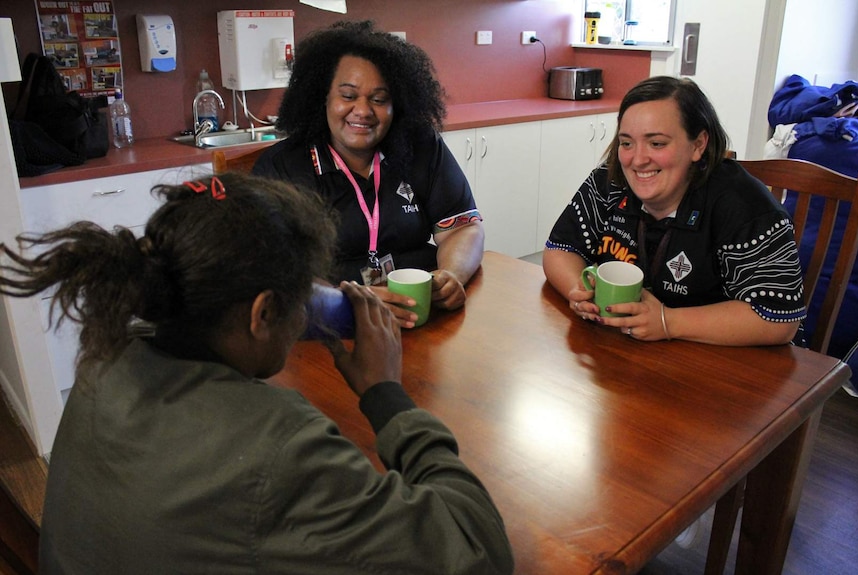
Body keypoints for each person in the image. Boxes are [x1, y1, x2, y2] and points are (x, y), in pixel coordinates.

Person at [0, 172, 513, 574]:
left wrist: (319, 306)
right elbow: (476, 551)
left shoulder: (105, 359)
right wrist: (385, 394)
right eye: (299, 294)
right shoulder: (281, 448)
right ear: (262, 313)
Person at [253, 21, 484, 327]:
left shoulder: (421, 146)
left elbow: (462, 228)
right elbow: (273, 270)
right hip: (329, 330)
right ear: (323, 96)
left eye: (379, 99)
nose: (363, 111)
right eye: (348, 96)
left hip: (423, 317)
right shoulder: (282, 167)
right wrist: (345, 305)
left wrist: (452, 275)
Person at [543, 76, 805, 346]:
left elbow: (779, 319)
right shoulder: (609, 183)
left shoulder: (747, 206)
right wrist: (579, 291)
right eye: (627, 143)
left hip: (724, 364)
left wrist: (668, 322)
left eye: (656, 143)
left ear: (698, 145)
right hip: (627, 354)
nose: (638, 159)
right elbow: (560, 247)